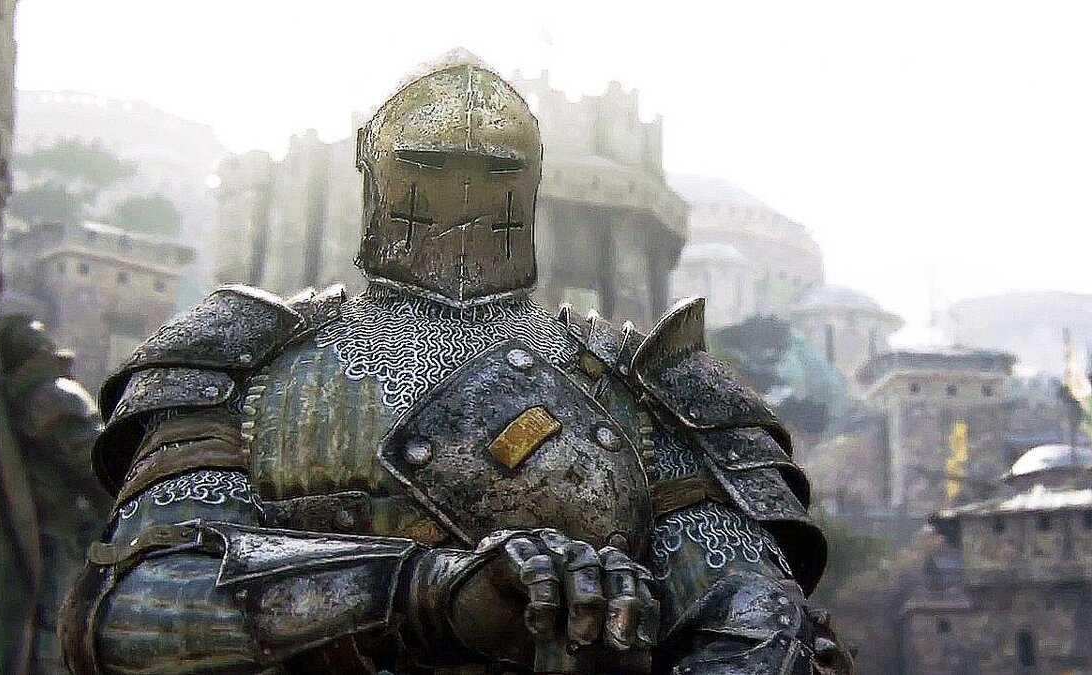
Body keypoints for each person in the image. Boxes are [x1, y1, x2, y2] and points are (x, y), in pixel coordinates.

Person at [61, 57, 850, 674]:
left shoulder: (646, 379)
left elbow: (755, 609)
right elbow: (131, 609)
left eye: (494, 165)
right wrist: (428, 591)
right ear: (375, 167)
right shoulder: (243, 353)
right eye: (430, 161)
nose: (463, 188)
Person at [0, 315, 106, 674]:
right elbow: (101, 467)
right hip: (51, 546)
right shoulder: (51, 395)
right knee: (51, 642)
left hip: (5, 550)